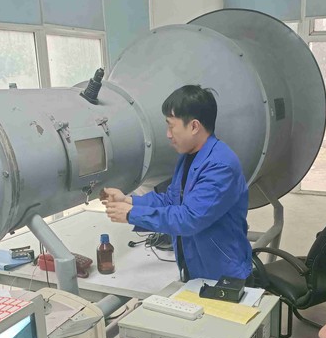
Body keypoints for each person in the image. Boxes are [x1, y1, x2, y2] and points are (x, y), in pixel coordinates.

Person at [102, 85, 252, 281]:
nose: (168, 134)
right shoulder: (189, 157)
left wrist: (132, 214)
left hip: (223, 275)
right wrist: (129, 201)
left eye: (171, 126)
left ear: (194, 126)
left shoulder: (220, 166)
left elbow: (189, 218)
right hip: (195, 269)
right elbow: (171, 200)